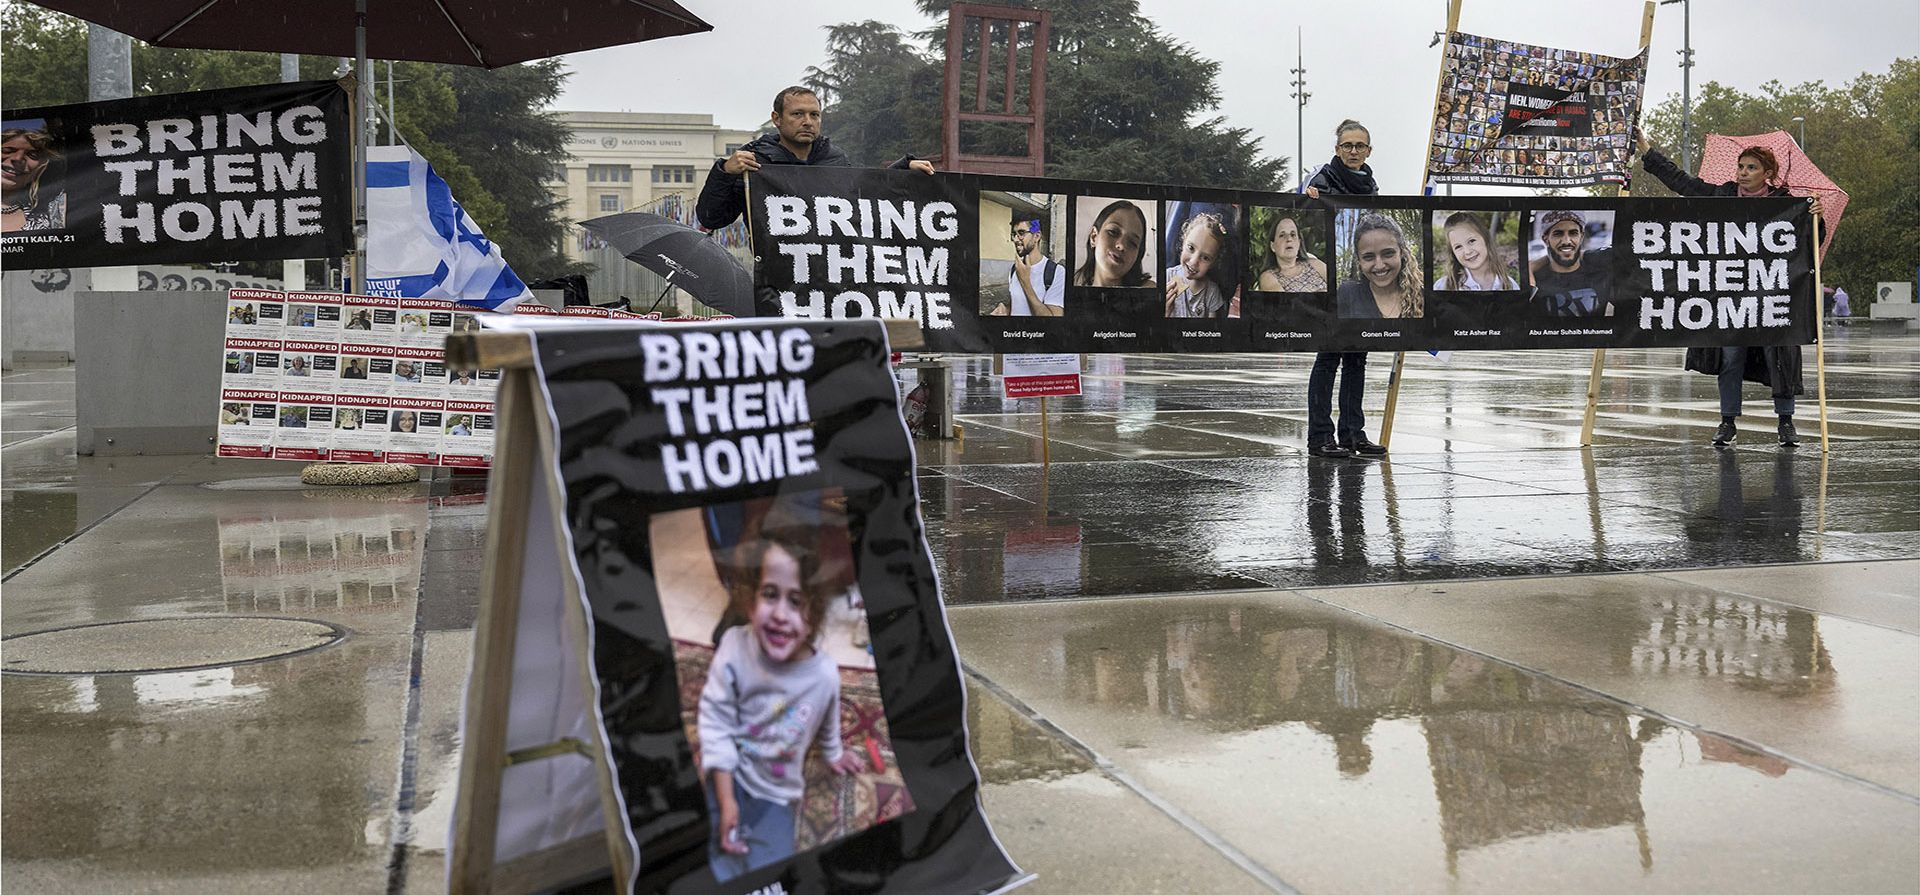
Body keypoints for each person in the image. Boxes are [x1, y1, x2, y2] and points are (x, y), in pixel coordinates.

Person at [699, 532, 862, 881]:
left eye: (796, 601)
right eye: (770, 595)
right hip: (728, 775)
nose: (780, 615)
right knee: (709, 860)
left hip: (776, 793)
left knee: (774, 872)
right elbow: (715, 722)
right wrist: (727, 800)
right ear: (750, 600)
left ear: (814, 612)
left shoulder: (824, 676)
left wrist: (833, 753)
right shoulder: (733, 647)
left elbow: (827, 718)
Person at [1641, 134, 1818, 447]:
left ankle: (1786, 422)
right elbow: (1681, 182)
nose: (1743, 172)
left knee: (1779, 356)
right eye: (1741, 166)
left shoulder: (1785, 203)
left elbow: (1809, 243)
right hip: (1729, 298)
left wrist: (1815, 217)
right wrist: (1646, 149)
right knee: (1730, 358)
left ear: (1768, 173)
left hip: (1770, 298)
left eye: (1751, 167)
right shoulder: (1720, 196)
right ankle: (1727, 422)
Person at [696, 86, 934, 230]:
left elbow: (866, 196)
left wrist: (904, 169)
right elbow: (711, 218)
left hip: (829, 277)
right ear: (777, 118)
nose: (807, 122)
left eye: (814, 115)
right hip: (777, 280)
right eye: (797, 114)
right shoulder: (755, 162)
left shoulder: (835, 158)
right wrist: (725, 172)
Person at [1302, 120, 1386, 460]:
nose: (1353, 151)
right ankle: (1320, 437)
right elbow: (1304, 223)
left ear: (1369, 150)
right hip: (1330, 284)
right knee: (1328, 358)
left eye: (1359, 146)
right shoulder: (1321, 181)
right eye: (1347, 145)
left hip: (1360, 282)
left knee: (1356, 358)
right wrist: (1307, 200)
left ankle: (1353, 434)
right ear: (1337, 149)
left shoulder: (1371, 186)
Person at [1336, 213, 1424, 320]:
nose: (1379, 265)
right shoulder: (1347, 294)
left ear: (1401, 253)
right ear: (1359, 260)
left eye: (1388, 254)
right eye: (1368, 257)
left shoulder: (1423, 294)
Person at [1529, 211, 1614, 317]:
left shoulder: (1601, 274)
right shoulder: (1534, 280)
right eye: (1558, 234)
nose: (1566, 241)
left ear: (1581, 237)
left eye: (1573, 233)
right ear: (1546, 239)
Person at [988, 217, 1064, 316]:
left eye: (1021, 233)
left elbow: (1053, 319)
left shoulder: (1056, 272)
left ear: (1036, 236)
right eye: (1014, 234)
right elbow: (1017, 304)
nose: (1015, 239)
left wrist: (1025, 282)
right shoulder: (1015, 268)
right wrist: (1005, 309)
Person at [1073, 199, 1154, 288]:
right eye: (1113, 232)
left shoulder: (1149, 290)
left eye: (1132, 243)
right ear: (1094, 236)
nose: (1121, 245)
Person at [1165, 211, 1231, 318]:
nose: (1193, 262)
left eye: (1205, 258)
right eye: (1191, 248)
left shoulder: (1212, 292)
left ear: (1213, 263)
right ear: (1183, 242)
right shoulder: (1167, 277)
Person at [2, 124, 65, 232]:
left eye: (33, 155)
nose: (18, 158)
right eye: (7, 150)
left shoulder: (53, 210)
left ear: (41, 168)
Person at [1435, 212, 1517, 290]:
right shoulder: (1442, 286)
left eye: (1471, 241)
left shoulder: (1509, 285)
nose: (1467, 252)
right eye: (1458, 247)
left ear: (1486, 238)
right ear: (1453, 253)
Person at [1255, 212, 1328, 292]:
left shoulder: (1314, 264)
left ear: (1299, 243)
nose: (1289, 239)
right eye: (1282, 235)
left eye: (1293, 234)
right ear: (1273, 246)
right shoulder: (1268, 277)